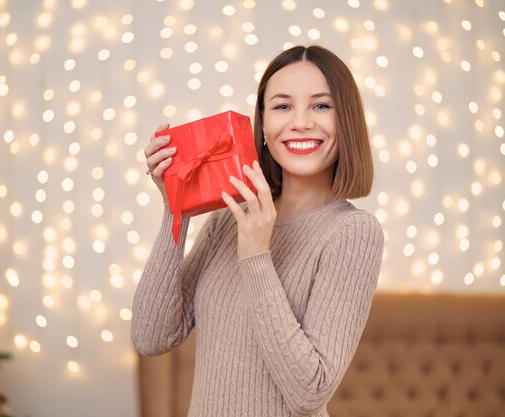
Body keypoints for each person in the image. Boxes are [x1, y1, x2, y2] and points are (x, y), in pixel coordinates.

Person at [131, 45, 384, 417]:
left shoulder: (353, 233)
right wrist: (177, 207)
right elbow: (151, 337)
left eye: (321, 105)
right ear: (262, 125)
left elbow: (309, 391)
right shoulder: (226, 219)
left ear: (345, 120)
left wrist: (256, 255)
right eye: (282, 106)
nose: (300, 122)